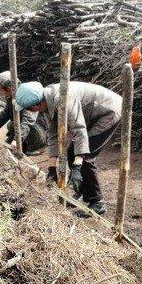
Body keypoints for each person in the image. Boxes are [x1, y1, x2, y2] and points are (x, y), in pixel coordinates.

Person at [15, 80, 121, 215]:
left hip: (109, 111)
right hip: (91, 113)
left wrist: (76, 167)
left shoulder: (63, 100)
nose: (31, 112)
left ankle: (97, 202)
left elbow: (79, 130)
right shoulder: (47, 101)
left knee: (85, 158)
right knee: (73, 154)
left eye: (30, 109)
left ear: (39, 104)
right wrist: (52, 169)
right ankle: (83, 193)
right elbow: (53, 134)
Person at [0, 71, 48, 155]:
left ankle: (33, 148)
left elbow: (27, 122)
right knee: (12, 125)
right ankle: (20, 143)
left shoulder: (27, 96)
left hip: (38, 131)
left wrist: (16, 141)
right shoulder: (10, 96)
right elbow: (6, 113)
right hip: (24, 128)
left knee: (15, 125)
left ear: (9, 88)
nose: (1, 92)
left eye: (2, 90)